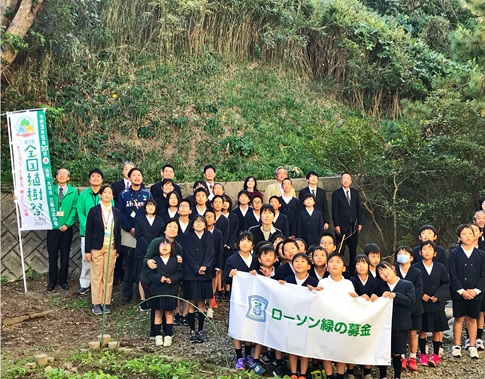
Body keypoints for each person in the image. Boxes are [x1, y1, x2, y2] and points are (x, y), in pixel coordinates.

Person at [317, 253, 358, 379]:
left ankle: (340, 374)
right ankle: (329, 375)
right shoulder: (323, 282)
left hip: (342, 322)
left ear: (344, 268)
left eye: (338, 262)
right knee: (326, 349)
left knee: (342, 349)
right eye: (331, 262)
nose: (334, 264)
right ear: (327, 267)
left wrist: (357, 298)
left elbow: (354, 303)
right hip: (327, 321)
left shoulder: (348, 284)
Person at [224, 232, 260, 371]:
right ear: (238, 243)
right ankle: (239, 357)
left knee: (250, 325)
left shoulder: (256, 260)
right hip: (238, 298)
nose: (245, 243)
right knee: (238, 325)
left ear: (252, 244)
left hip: (253, 297)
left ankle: (248, 355)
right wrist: (231, 274)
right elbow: (226, 279)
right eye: (242, 241)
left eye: (248, 241)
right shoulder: (232, 259)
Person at [279, 253, 319, 379]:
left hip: (307, 319)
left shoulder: (314, 281)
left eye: (303, 261)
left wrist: (315, 291)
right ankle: (293, 372)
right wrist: (280, 286)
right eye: (296, 261)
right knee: (292, 345)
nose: (299, 264)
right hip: (291, 318)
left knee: (305, 346)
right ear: (292, 264)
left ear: (308, 266)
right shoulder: (288, 280)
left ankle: (303, 373)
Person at [449, 223, 485, 359]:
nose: (468, 236)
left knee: (472, 318)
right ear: (459, 237)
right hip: (459, 292)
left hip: (476, 292)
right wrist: (461, 290)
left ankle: (472, 345)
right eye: (464, 234)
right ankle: (456, 345)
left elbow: (483, 274)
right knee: (459, 318)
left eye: (470, 233)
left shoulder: (481, 254)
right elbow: (452, 273)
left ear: (475, 235)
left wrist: (476, 290)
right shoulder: (454, 253)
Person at [117, 167, 153, 304]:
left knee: (141, 265)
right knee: (128, 265)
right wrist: (130, 228)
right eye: (134, 175)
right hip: (128, 233)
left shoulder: (147, 194)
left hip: (143, 235)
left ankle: (141, 294)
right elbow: (120, 213)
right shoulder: (123, 194)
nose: (137, 177)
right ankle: (127, 294)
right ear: (129, 178)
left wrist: (139, 230)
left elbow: (151, 211)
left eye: (139, 175)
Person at [85, 185, 121, 315]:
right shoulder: (93, 211)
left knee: (108, 275)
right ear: (100, 195)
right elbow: (88, 231)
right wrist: (87, 250)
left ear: (112, 196)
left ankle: (106, 302)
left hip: (111, 246)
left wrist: (118, 248)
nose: (107, 194)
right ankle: (96, 303)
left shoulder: (116, 211)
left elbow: (117, 231)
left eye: (110, 192)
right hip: (96, 247)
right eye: (104, 192)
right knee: (96, 275)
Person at [376, 261, 415, 379]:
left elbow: (411, 302)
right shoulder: (381, 287)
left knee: (397, 352)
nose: (384, 273)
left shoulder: (407, 284)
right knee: (383, 350)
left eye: (385, 269)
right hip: (384, 324)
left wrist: (395, 295)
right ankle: (383, 376)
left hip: (400, 323)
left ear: (392, 268)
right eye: (380, 273)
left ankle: (397, 376)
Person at [414, 240, 450, 367]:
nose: (427, 251)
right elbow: (413, 284)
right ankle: (423, 354)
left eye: (430, 249)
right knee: (422, 329)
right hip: (422, 303)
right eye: (424, 249)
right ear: (420, 252)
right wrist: (421, 294)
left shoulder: (440, 267)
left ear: (435, 253)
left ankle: (435, 355)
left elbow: (446, 283)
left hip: (436, 303)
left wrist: (438, 295)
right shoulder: (416, 267)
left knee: (436, 329)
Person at [181, 215, 214, 343]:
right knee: (191, 302)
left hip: (205, 273)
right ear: (192, 224)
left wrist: (205, 265)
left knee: (201, 302)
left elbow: (211, 252)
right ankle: (192, 330)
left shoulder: (209, 236)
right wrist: (196, 268)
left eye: (201, 222)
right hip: (191, 273)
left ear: (205, 225)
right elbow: (187, 254)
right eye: (196, 222)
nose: (199, 224)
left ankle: (200, 329)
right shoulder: (187, 236)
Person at [145, 238, 183, 347]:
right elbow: (150, 275)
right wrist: (159, 278)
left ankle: (168, 335)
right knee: (158, 312)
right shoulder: (154, 260)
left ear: (171, 248)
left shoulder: (175, 260)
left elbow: (180, 273)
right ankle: (157, 335)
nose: (164, 247)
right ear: (158, 248)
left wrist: (172, 279)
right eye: (162, 245)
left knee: (169, 313)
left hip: (170, 290)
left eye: (167, 244)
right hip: (157, 291)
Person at [47, 168, 78, 291]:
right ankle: (52, 280)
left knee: (65, 255)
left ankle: (63, 280)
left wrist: (68, 223)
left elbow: (74, 209)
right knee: (52, 255)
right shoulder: (50, 191)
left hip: (66, 228)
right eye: (59, 173)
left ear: (68, 178)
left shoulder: (73, 192)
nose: (62, 176)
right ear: (56, 176)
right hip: (52, 228)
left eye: (65, 174)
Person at [76, 168, 105, 295]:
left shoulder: (106, 193)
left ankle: (100, 284)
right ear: (89, 179)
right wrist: (87, 227)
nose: (95, 178)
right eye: (93, 176)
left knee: (101, 259)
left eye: (98, 176)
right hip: (86, 233)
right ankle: (84, 283)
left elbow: (111, 211)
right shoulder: (83, 194)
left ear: (102, 180)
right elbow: (80, 212)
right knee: (86, 258)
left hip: (103, 233)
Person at [395, 246, 423, 371]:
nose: (402, 255)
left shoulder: (416, 272)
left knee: (412, 333)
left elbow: (418, 291)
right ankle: (401, 357)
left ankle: (412, 357)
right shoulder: (394, 271)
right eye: (399, 253)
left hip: (414, 307)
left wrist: (411, 306)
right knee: (400, 334)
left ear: (411, 257)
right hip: (398, 308)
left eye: (405, 253)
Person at [134, 200, 164, 310]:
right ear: (145, 208)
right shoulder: (139, 219)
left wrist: (155, 248)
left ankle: (152, 299)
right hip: (142, 251)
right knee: (142, 276)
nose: (150, 208)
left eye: (152, 206)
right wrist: (148, 248)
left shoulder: (160, 220)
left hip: (157, 251)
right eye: (148, 206)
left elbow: (161, 235)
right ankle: (143, 300)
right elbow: (138, 235)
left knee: (154, 276)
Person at [331, 172, 362, 275]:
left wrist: (360, 222)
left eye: (347, 178)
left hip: (353, 225)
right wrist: (336, 225)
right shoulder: (336, 194)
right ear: (341, 181)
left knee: (353, 249)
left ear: (351, 181)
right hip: (342, 225)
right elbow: (334, 210)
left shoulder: (355, 192)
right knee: (341, 248)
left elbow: (358, 208)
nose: (345, 180)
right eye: (344, 178)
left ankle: (353, 271)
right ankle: (340, 270)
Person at [204, 209, 224, 319]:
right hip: (203, 263)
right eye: (206, 216)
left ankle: (210, 307)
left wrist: (218, 265)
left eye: (211, 216)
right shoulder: (201, 231)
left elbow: (220, 250)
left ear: (215, 220)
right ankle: (202, 306)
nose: (208, 218)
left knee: (211, 285)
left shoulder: (218, 233)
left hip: (213, 262)